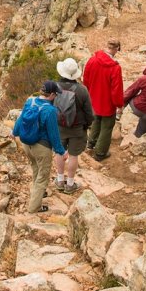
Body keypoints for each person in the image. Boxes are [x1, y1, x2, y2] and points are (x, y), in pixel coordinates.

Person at [11, 80, 66, 214]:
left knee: (35, 168)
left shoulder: (30, 101)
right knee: (43, 176)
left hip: (26, 144)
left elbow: (20, 119)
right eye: (56, 94)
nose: (56, 97)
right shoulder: (50, 110)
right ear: (51, 94)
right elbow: (53, 134)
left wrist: (14, 132)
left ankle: (36, 194)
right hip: (41, 147)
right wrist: (61, 151)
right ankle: (34, 208)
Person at [52, 57, 93, 194]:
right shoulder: (82, 90)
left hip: (59, 127)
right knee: (74, 155)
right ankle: (70, 184)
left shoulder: (55, 88)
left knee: (59, 152)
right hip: (77, 128)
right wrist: (87, 124)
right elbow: (88, 112)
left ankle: (59, 180)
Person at [82, 39, 124, 160]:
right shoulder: (115, 67)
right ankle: (100, 153)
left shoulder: (92, 60)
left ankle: (91, 144)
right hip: (107, 103)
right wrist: (119, 104)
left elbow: (86, 80)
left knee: (96, 121)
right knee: (107, 127)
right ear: (116, 49)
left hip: (93, 99)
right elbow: (116, 89)